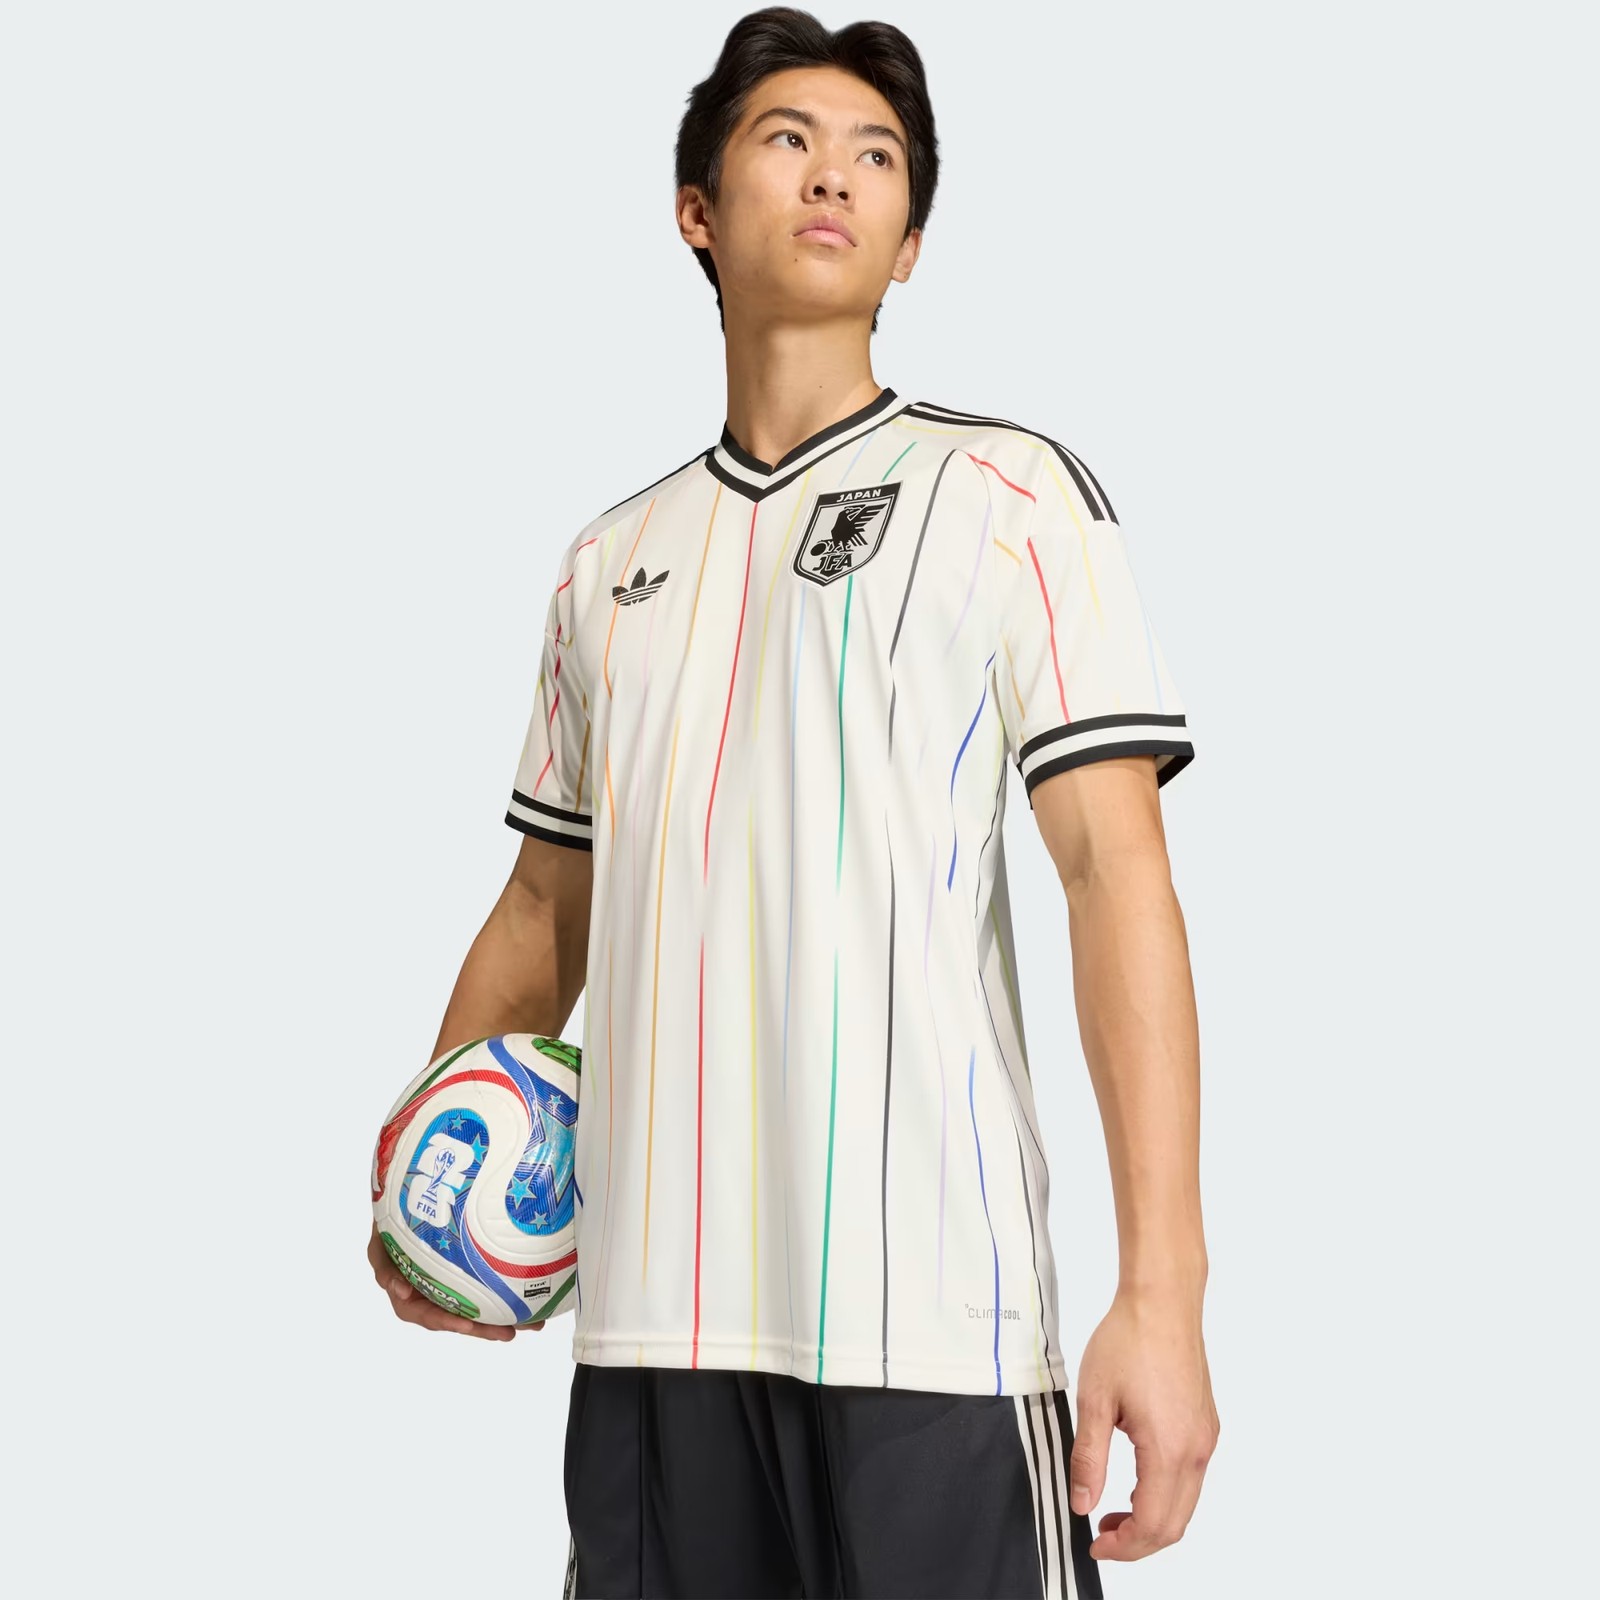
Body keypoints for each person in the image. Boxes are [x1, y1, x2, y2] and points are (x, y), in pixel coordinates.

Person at [367, 8, 1219, 1596]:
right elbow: (546, 910)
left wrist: (1161, 1294)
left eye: (876, 156)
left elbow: (1117, 878)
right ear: (696, 210)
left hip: (934, 1332)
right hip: (650, 1340)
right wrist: (423, 1167)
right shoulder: (606, 563)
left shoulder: (1013, 496)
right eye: (788, 140)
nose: (835, 176)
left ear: (911, 245)